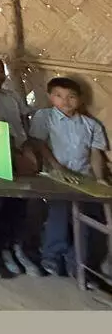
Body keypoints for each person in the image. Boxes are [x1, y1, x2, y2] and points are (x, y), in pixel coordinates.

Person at [30, 78, 110, 275]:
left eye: (71, 97)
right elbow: (39, 144)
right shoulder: (45, 116)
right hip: (54, 176)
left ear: (80, 99)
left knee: (88, 217)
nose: (65, 101)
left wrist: (99, 179)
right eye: (59, 96)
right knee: (60, 212)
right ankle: (52, 256)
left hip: (83, 178)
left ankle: (77, 262)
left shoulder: (91, 124)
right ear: (50, 97)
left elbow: (95, 154)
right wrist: (58, 168)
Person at [0, 53, 41, 277]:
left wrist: (28, 150)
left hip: (22, 156)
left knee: (19, 207)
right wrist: (15, 154)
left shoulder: (11, 96)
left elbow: (23, 125)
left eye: (0, 70)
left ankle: (16, 248)